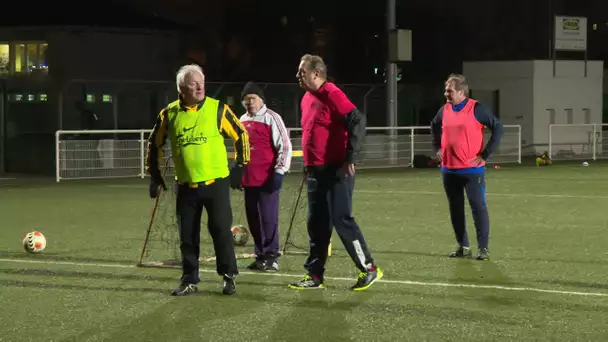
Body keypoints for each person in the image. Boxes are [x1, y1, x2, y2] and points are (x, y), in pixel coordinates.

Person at [146, 64, 251, 296]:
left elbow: (241, 134)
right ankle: (189, 279)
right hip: (185, 187)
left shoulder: (218, 109)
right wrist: (154, 175)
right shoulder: (169, 114)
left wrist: (240, 167)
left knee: (221, 232)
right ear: (181, 88)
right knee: (187, 236)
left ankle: (228, 276)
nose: (200, 86)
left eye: (201, 81)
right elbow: (155, 144)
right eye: (193, 83)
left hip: (216, 184)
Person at [289, 54, 383, 291]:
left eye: (302, 72)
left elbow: (357, 120)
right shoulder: (307, 98)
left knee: (342, 220)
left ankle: (369, 268)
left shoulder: (332, 93)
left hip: (336, 170)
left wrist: (350, 157)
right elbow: (312, 134)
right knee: (317, 224)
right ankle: (315, 275)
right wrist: (308, 166)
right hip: (315, 172)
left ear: (316, 73)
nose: (298, 76)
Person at [430, 73, 504, 261]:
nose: (446, 94)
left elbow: (498, 127)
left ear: (462, 92)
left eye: (450, 90)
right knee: (455, 208)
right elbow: (434, 125)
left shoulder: (476, 108)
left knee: (478, 207)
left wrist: (485, 155)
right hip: (449, 170)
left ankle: (483, 249)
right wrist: (437, 146)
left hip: (472, 171)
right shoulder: (444, 109)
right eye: (446, 90)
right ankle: (463, 246)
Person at [238, 82, 293, 272]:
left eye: (252, 98)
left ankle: (272, 256)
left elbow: (284, 146)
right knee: (253, 219)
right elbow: (240, 149)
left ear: (261, 100)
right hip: (249, 179)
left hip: (267, 178)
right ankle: (260, 255)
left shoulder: (272, 118)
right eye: (246, 100)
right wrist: (238, 171)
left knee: (268, 218)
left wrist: (279, 171)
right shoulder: (241, 120)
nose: (249, 103)